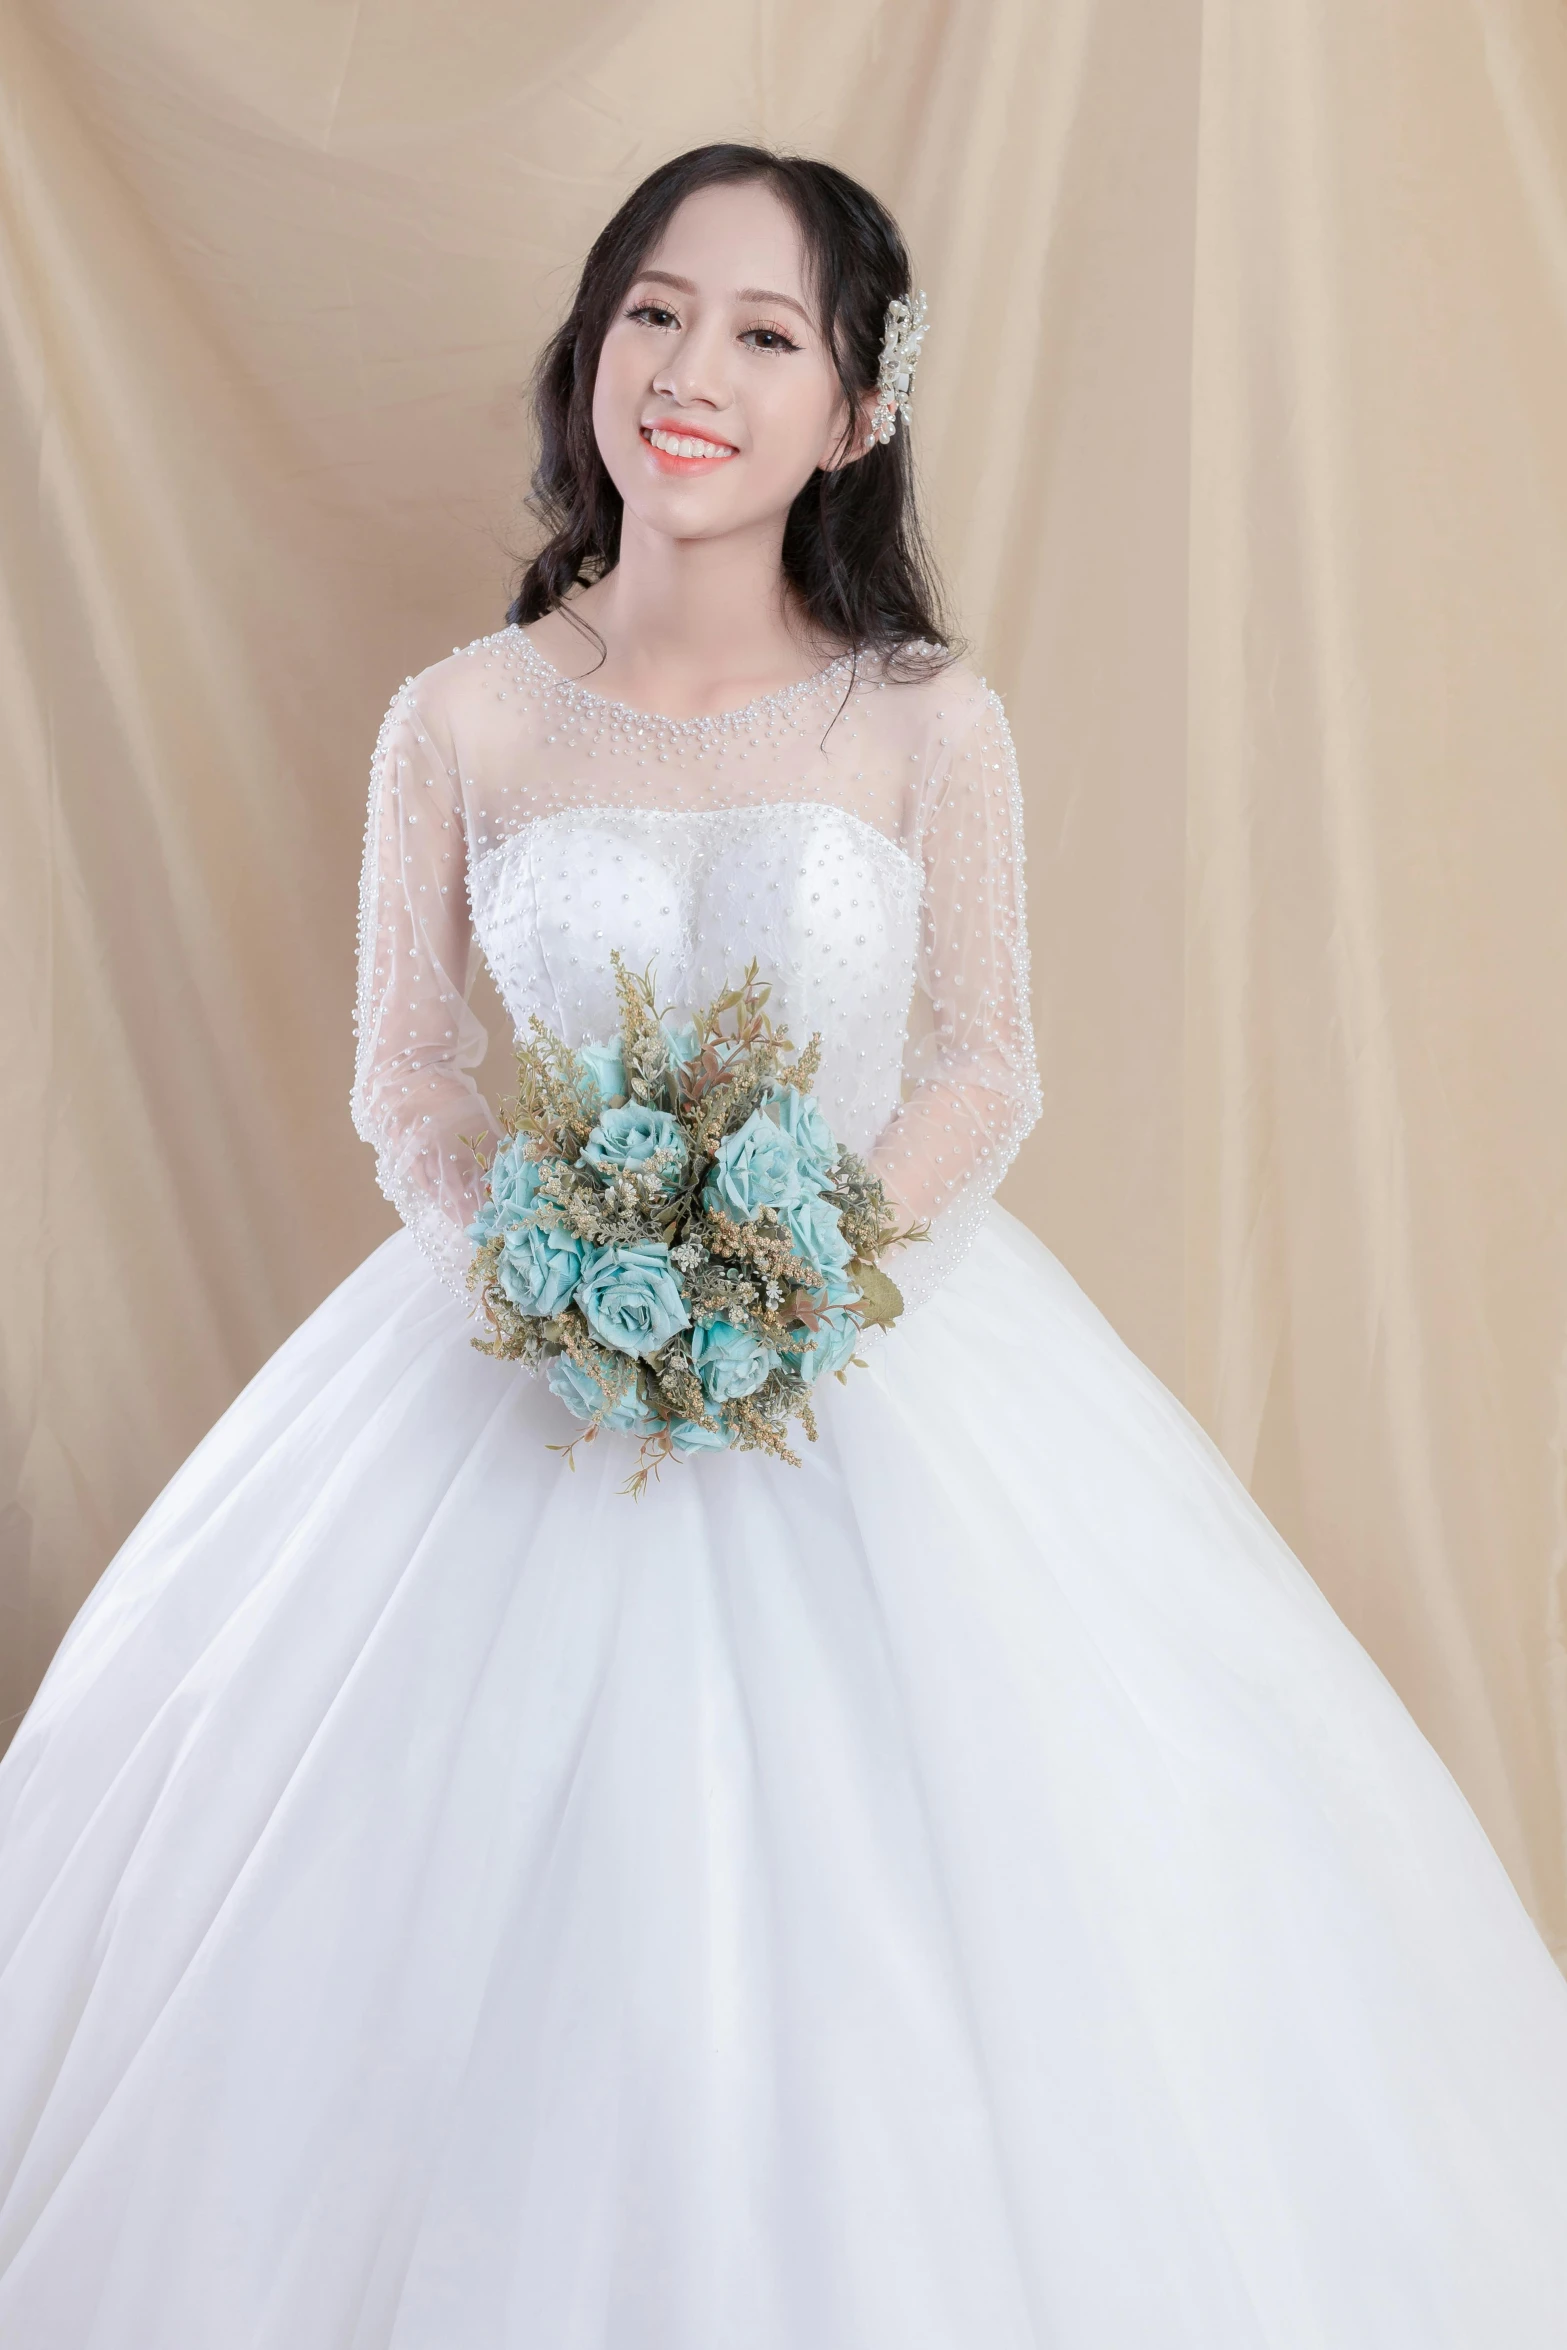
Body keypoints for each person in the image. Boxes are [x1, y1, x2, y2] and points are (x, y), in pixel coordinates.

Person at [1, 142, 1565, 2350]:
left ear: (855, 411)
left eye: (764, 332)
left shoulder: (929, 719)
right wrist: (545, 1253)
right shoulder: (462, 717)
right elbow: (411, 1077)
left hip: (877, 1360)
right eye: (653, 310)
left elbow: (981, 1064)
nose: (692, 371)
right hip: (511, 1356)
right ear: (590, 351)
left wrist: (795, 1263)